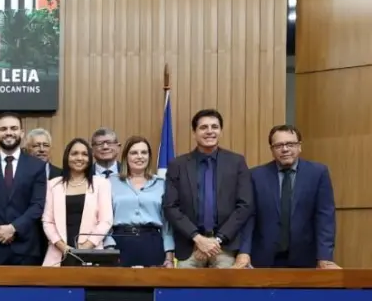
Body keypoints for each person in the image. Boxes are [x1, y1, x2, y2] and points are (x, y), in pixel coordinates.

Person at [237, 125, 339, 269]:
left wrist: (324, 257)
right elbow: (249, 217)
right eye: (278, 145)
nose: (285, 149)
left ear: (299, 147)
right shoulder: (256, 176)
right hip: (263, 258)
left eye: (290, 144)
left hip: (306, 257)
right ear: (272, 150)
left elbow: (325, 217)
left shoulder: (318, 173)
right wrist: (244, 252)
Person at [162, 109, 253, 268]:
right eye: (203, 127)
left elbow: (245, 206)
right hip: (189, 247)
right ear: (194, 133)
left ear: (220, 131)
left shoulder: (237, 162)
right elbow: (171, 206)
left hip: (224, 247)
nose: (210, 131)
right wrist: (198, 238)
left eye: (214, 127)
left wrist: (216, 241)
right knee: (184, 292)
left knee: (224, 292)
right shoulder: (178, 165)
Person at [0, 113, 47, 265]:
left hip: (25, 248)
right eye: (3, 129)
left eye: (14, 128)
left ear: (22, 133)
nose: (8, 132)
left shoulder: (37, 166)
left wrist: (13, 228)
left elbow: (38, 205)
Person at [42, 138, 113, 266]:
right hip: (58, 254)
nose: (79, 158)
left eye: (84, 154)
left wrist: (85, 247)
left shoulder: (101, 184)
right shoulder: (53, 185)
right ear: (67, 157)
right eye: (74, 153)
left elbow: (105, 221)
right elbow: (47, 221)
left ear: (90, 159)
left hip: (91, 252)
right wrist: (64, 248)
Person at [106, 136, 175, 267]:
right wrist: (109, 248)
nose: (139, 156)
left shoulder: (161, 184)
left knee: (152, 286)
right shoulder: (111, 182)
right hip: (119, 243)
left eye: (144, 152)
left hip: (152, 243)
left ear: (149, 156)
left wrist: (169, 256)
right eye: (134, 153)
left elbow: (167, 224)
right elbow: (105, 218)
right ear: (126, 157)